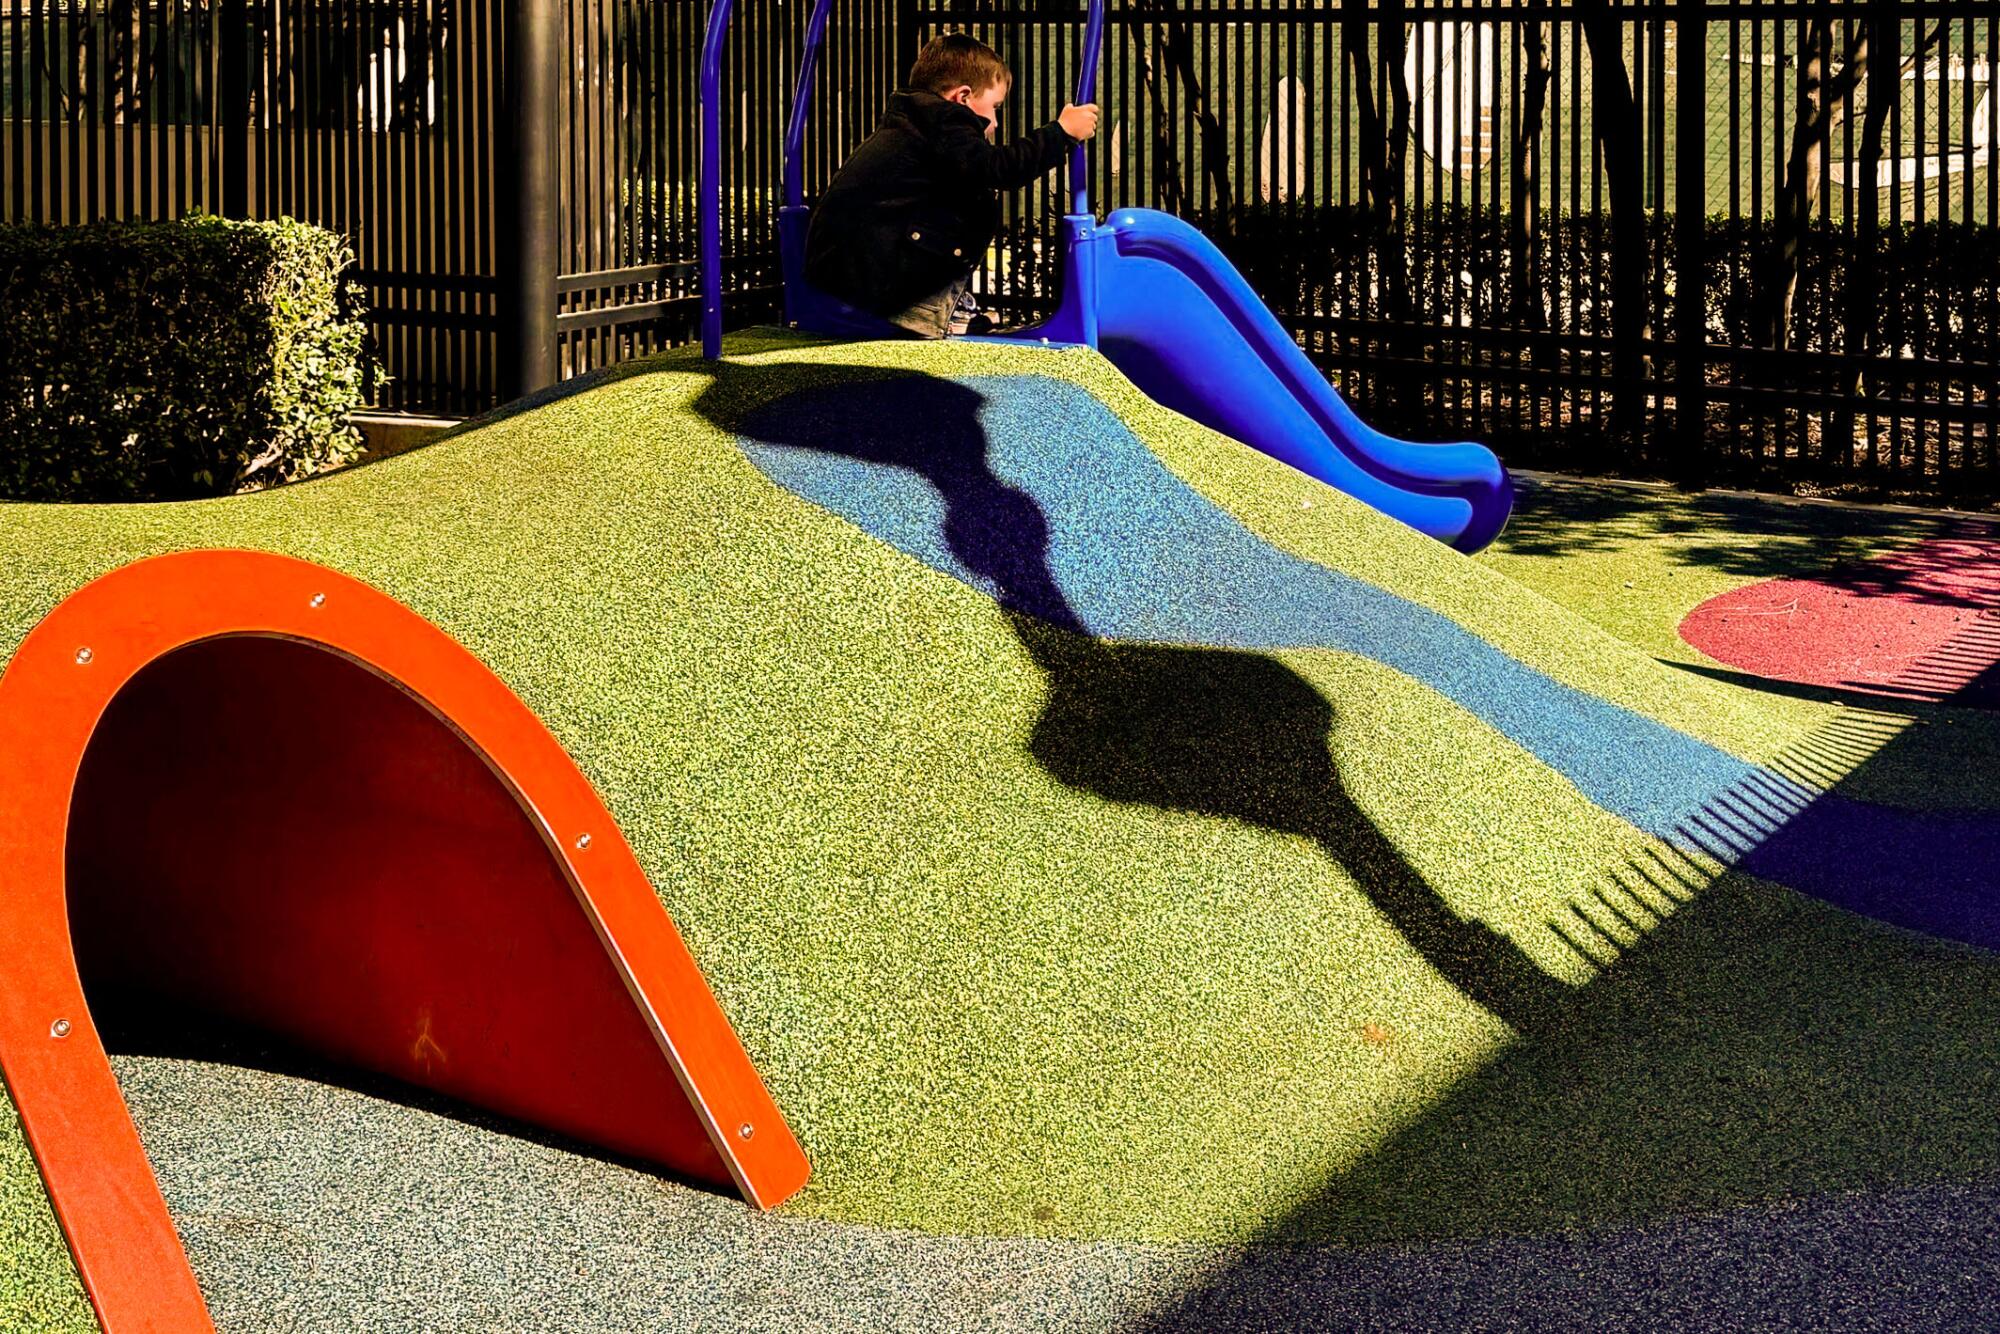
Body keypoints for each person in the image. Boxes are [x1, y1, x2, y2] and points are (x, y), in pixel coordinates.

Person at [804, 33, 1099, 338]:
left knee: (962, 200)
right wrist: (1061, 132)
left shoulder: (916, 124)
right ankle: (923, 310)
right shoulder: (944, 122)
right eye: (995, 107)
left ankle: (942, 304)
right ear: (963, 97)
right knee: (971, 203)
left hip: (847, 273)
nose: (995, 123)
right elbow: (999, 169)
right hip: (870, 282)